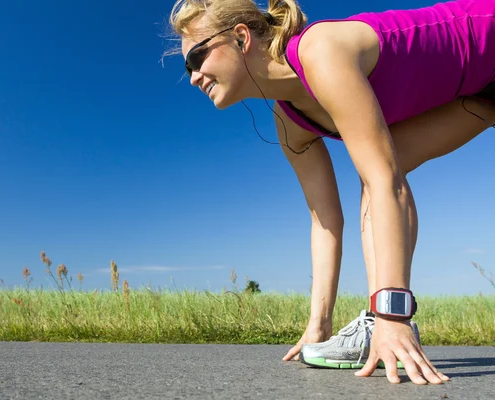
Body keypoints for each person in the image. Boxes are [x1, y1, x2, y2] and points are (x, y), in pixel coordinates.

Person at [165, 0, 495, 385]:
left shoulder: (320, 50)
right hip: (480, 95)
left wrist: (396, 315)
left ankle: (386, 315)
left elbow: (385, 181)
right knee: (385, 161)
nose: (192, 77)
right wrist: (317, 326)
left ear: (241, 38)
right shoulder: (289, 122)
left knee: (379, 170)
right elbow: (325, 223)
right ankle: (378, 323)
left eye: (197, 58)